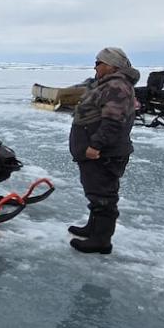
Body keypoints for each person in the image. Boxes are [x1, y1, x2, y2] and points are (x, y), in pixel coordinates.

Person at [68, 47, 140, 255]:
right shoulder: (109, 84)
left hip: (104, 153)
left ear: (112, 65)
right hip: (100, 151)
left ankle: (101, 240)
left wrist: (95, 145)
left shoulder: (116, 86)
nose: (95, 67)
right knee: (96, 192)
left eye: (98, 63)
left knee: (103, 196)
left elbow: (113, 121)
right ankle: (94, 228)